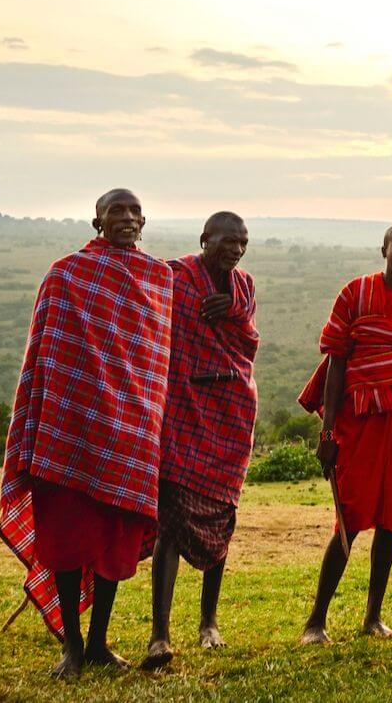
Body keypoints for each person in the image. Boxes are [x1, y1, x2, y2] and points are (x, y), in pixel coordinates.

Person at [0, 189, 172, 678]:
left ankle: (98, 642)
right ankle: (72, 647)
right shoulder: (67, 274)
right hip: (71, 431)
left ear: (145, 221)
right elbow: (46, 356)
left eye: (135, 211)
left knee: (114, 546)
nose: (127, 218)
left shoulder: (160, 279)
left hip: (132, 433)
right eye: (116, 211)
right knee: (70, 545)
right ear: (97, 221)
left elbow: (156, 359)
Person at [297, 223, 392, 644]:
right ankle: (316, 621)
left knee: (391, 517)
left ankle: (373, 617)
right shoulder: (355, 294)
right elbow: (337, 363)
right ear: (384, 248)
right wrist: (327, 434)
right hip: (358, 419)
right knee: (352, 516)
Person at [140, 212, 258, 671]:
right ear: (205, 239)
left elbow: (248, 340)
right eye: (228, 241)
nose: (236, 249)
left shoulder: (244, 287)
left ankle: (209, 621)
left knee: (221, 517)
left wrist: (229, 312)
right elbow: (147, 320)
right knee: (171, 520)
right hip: (183, 410)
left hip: (230, 413)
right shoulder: (175, 277)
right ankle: (159, 634)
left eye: (243, 242)